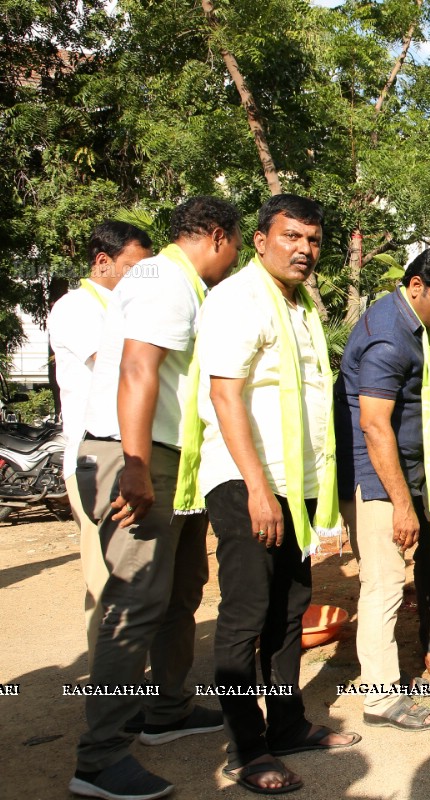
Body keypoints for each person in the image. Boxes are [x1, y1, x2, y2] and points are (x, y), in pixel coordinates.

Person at [71, 197, 242, 800]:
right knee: (136, 601)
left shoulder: (182, 283)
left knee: (180, 589)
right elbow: (138, 371)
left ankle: (167, 711)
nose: (237, 258)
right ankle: (99, 759)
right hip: (136, 455)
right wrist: (137, 466)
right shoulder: (165, 279)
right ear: (217, 236)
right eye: (238, 244)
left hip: (172, 461)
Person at [197, 194, 360, 793]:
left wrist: (316, 500)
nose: (304, 249)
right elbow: (224, 395)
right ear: (261, 240)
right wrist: (258, 490)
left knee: (289, 611)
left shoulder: (298, 307)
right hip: (248, 483)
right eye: (291, 236)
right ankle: (246, 747)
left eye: (314, 241)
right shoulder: (238, 299)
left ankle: (287, 725)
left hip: (293, 490)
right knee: (244, 617)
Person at [334, 243, 430, 729]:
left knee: (387, 584)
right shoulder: (392, 338)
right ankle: (380, 699)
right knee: (384, 587)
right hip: (378, 483)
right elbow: (375, 426)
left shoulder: (406, 324)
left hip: (398, 478)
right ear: (415, 287)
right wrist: (401, 503)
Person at [48, 220, 152, 658]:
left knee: (134, 577)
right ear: (103, 261)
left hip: (127, 453)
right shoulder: (76, 307)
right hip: (96, 457)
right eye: (133, 268)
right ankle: (111, 700)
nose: (140, 279)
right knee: (108, 580)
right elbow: (122, 362)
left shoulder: (124, 304)